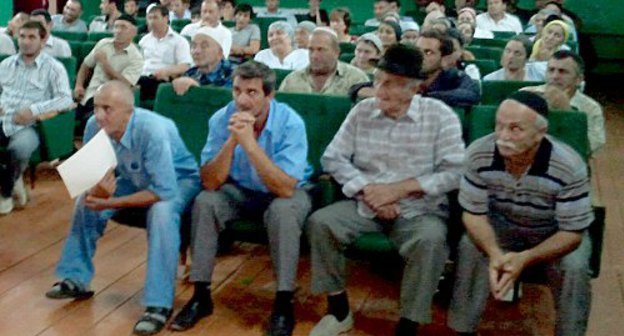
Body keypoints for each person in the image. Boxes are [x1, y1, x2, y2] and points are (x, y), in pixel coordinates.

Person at [308, 44, 465, 336]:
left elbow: (455, 171)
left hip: (419, 210)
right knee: (322, 223)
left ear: (414, 89)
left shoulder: (440, 116)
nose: (379, 89)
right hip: (365, 205)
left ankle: (409, 323)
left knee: (430, 240)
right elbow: (333, 157)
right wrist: (369, 191)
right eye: (378, 79)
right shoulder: (362, 111)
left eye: (390, 84)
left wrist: (399, 189)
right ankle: (339, 311)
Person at [46, 80, 200, 336]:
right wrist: (97, 194)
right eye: (96, 107)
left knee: (162, 213)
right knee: (84, 203)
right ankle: (76, 277)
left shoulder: (154, 130)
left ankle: (158, 305)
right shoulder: (93, 126)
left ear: (129, 111)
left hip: (178, 180)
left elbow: (163, 191)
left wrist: (110, 202)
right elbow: (91, 179)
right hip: (133, 178)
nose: (99, 115)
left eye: (108, 109)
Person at [169, 61, 312, 336]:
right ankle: (201, 295)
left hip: (286, 192)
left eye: (252, 92)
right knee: (206, 202)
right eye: (237, 91)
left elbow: (283, 188)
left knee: (283, 212)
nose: (242, 100)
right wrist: (233, 141)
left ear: (269, 95)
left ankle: (283, 303)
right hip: (242, 189)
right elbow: (211, 182)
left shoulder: (291, 122)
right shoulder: (221, 118)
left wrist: (249, 144)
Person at [447, 90, 593, 336]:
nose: (503, 136)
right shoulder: (478, 153)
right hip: (500, 226)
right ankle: (462, 328)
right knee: (470, 247)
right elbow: (473, 214)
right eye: (499, 125)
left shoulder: (568, 165)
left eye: (515, 129)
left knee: (575, 266)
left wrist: (525, 258)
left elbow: (572, 233)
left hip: (553, 231)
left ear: (540, 133)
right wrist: (494, 253)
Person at [0, 21, 73, 215]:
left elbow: (66, 99)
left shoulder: (53, 68)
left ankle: (5, 195)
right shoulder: (6, 64)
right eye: (22, 37)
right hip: (3, 118)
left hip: (30, 125)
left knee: (19, 149)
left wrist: (33, 110)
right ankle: (13, 179)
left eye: (32, 37)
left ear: (42, 40)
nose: (25, 42)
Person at [522, 50, 605, 155]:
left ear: (579, 79)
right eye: (551, 70)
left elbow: (588, 148)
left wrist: (567, 112)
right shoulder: (526, 94)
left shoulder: (591, 108)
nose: (555, 76)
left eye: (562, 71)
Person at [74, 14, 144, 136]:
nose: (118, 31)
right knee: (61, 116)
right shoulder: (103, 44)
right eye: (116, 27)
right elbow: (85, 65)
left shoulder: (136, 58)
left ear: (134, 32)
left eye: (123, 27)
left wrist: (105, 64)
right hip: (89, 95)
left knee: (91, 122)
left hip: (110, 102)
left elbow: (124, 85)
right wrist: (79, 85)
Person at [279, 28, 368, 95]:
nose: (314, 56)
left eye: (321, 50)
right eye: (311, 50)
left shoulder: (356, 79)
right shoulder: (291, 81)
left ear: (336, 52)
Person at [138, 5, 192, 100]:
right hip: (143, 77)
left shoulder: (179, 41)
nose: (152, 21)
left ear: (166, 18)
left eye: (155, 17)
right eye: (149, 18)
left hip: (163, 80)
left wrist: (167, 71)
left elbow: (185, 66)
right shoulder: (144, 40)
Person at [417, 29, 481, 107]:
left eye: (428, 52)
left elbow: (471, 94)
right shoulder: (403, 75)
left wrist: (426, 97)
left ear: (444, 58)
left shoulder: (455, 77)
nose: (420, 56)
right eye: (417, 51)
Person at [172, 26, 234, 95]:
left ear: (220, 53)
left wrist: (198, 89)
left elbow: (225, 100)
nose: (196, 51)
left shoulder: (234, 74)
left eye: (204, 46)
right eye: (193, 46)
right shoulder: (190, 73)